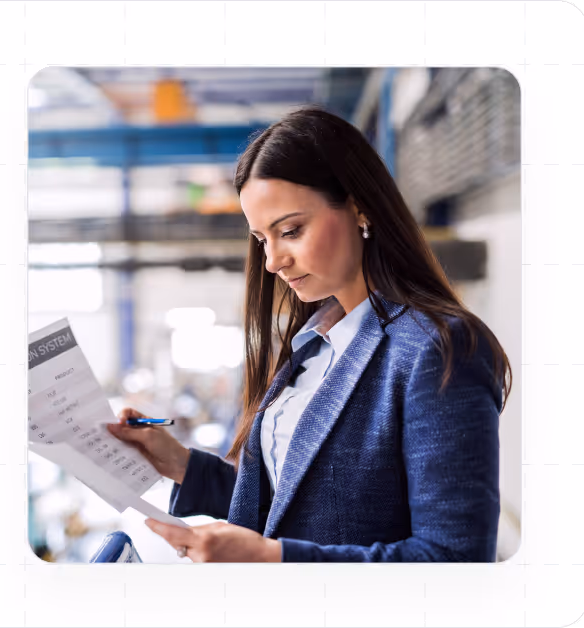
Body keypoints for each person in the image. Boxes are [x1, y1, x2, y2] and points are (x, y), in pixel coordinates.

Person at [108, 106, 512, 563]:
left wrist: (273, 561)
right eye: (262, 239)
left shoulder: (435, 348)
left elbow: (454, 559)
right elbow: (292, 505)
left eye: (291, 231)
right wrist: (179, 463)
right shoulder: (312, 345)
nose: (272, 261)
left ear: (359, 208)